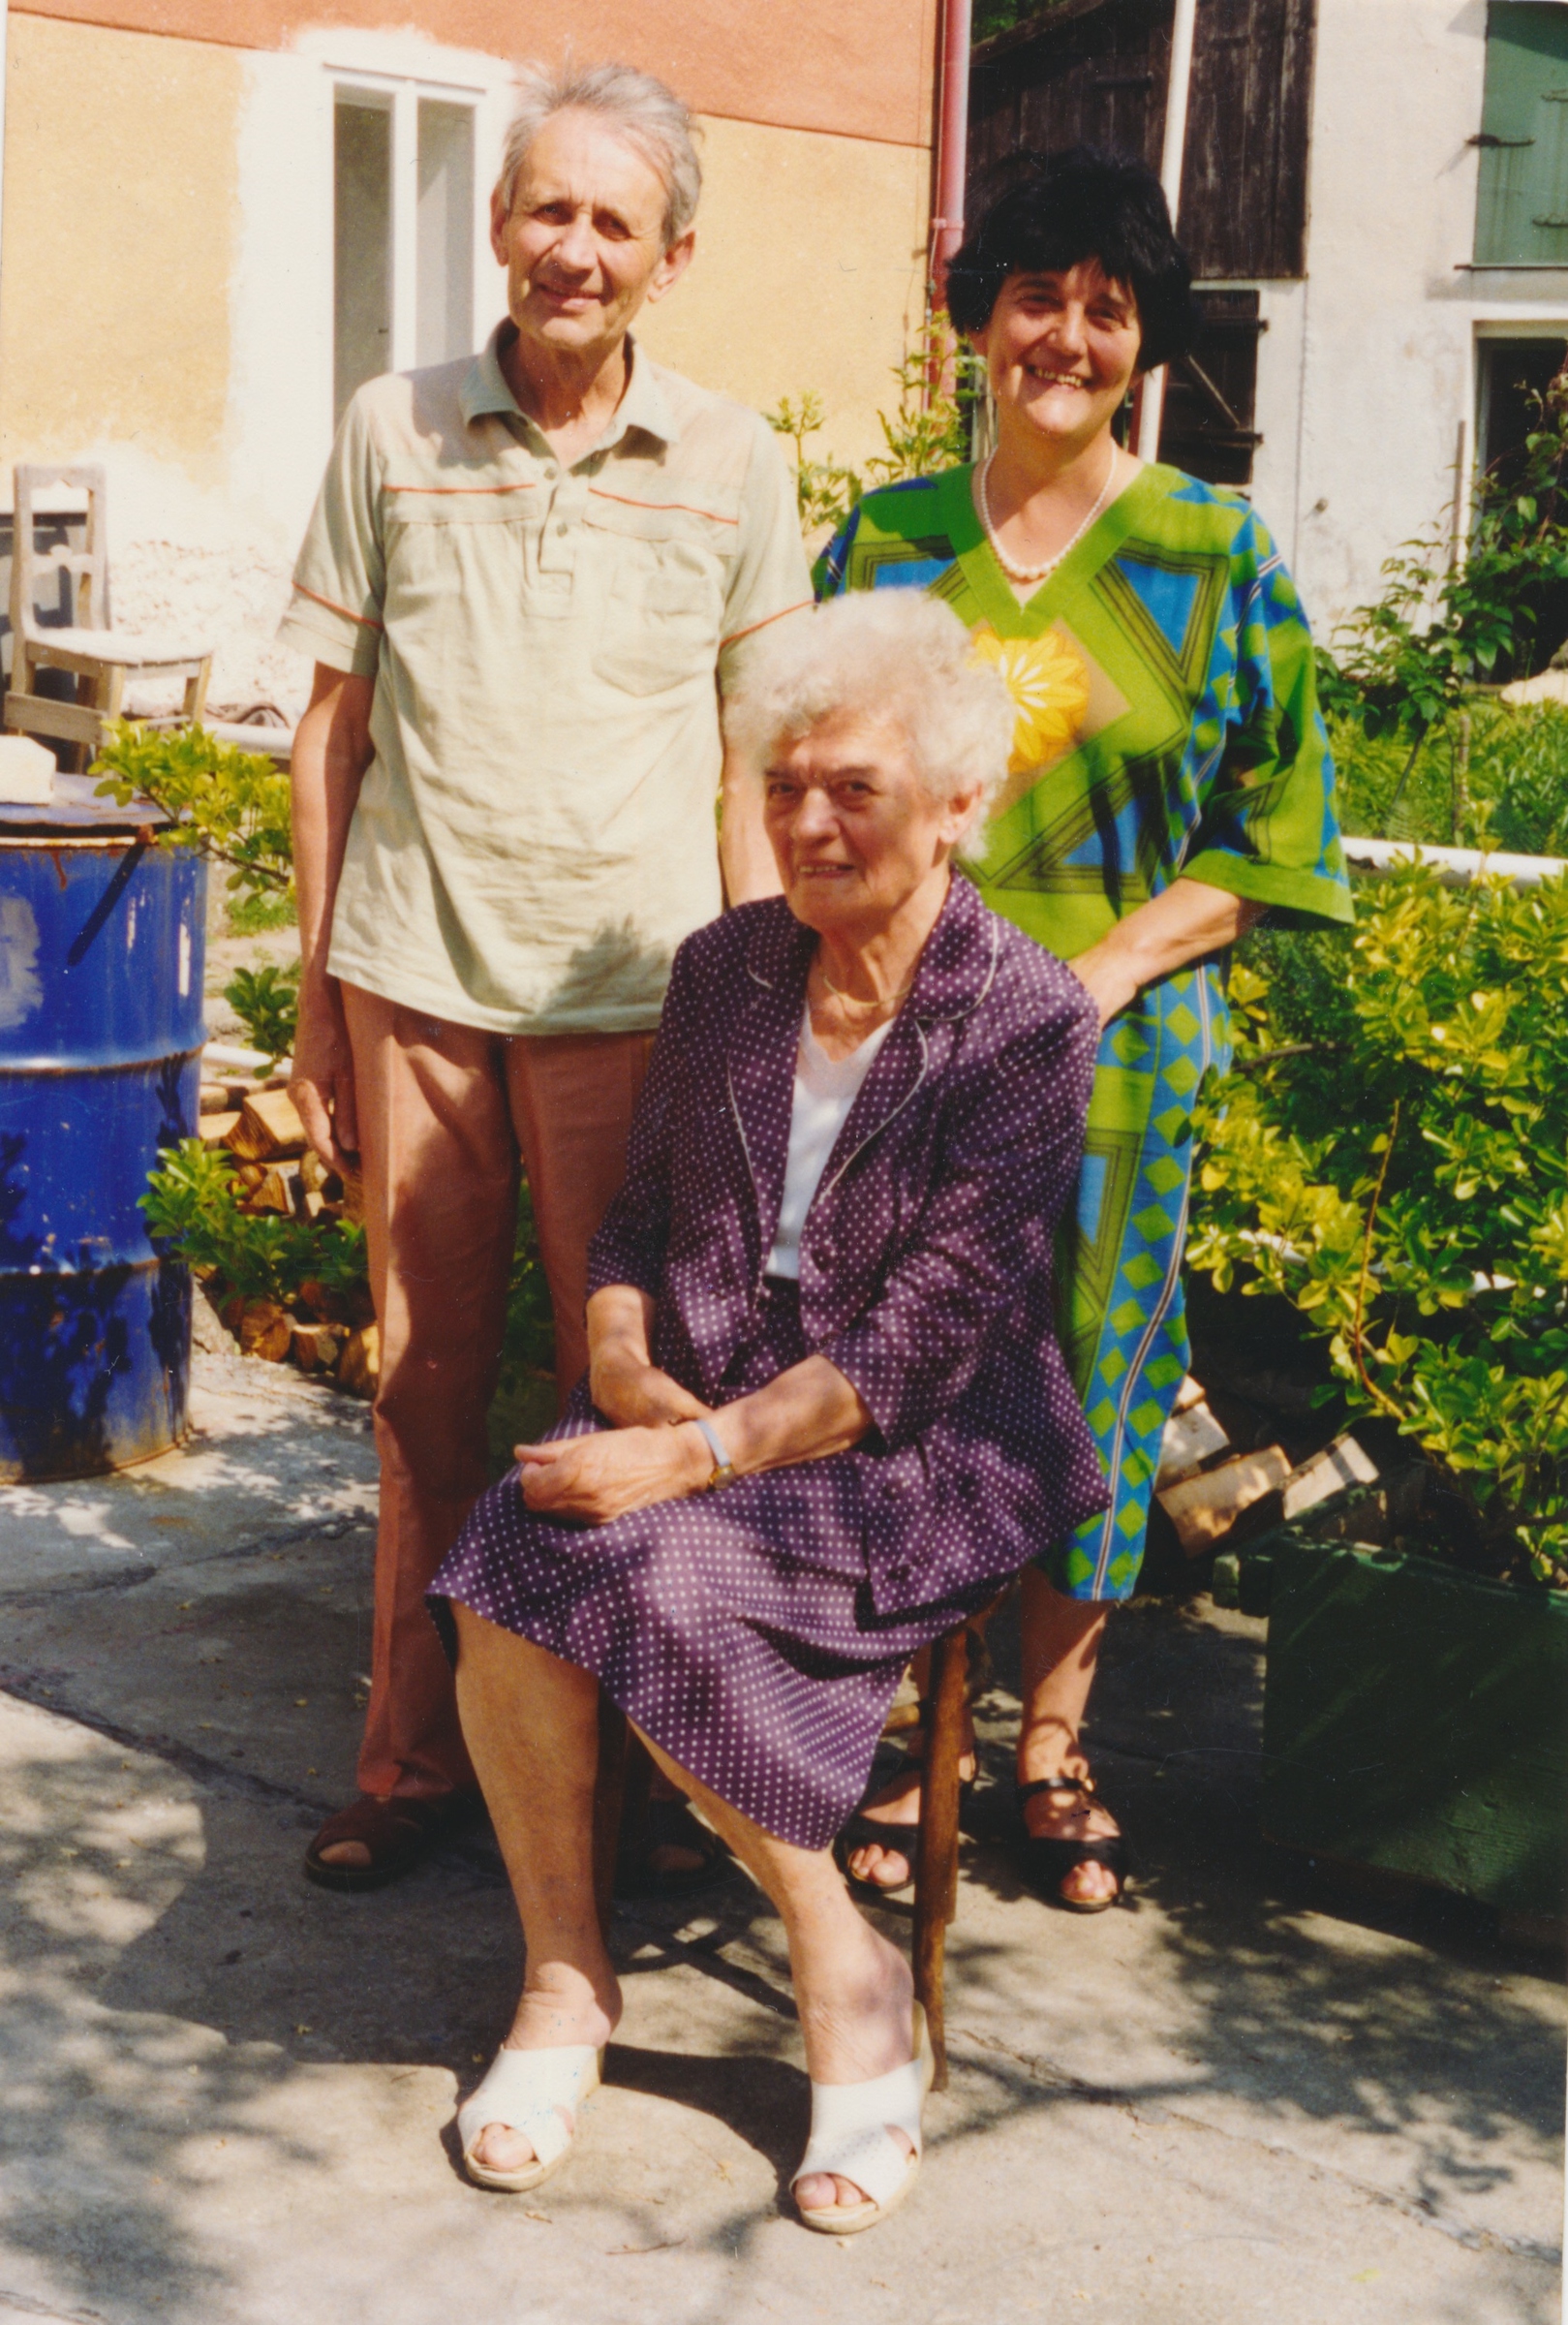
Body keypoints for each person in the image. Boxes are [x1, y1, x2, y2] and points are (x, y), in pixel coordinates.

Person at [427, 591, 1109, 2231]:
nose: (808, 824)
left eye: (855, 788)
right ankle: (566, 1977)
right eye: (784, 785)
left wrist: (689, 1454)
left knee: (651, 1568)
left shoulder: (1027, 1019)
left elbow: (919, 1344)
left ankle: (842, 1964)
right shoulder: (727, 969)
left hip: (930, 1440)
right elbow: (640, 1218)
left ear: (958, 803)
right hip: (711, 1384)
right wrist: (613, 1346)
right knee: (510, 1549)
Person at [279, 60, 813, 1893]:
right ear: (500, 225)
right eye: (547, 209)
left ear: (673, 255)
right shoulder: (391, 426)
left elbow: (754, 761)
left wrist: (760, 1025)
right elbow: (330, 733)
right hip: (417, 981)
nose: (574, 248)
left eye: (613, 220)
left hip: (639, 1010)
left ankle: (632, 1781)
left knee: (634, 1397)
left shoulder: (735, 462)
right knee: (424, 1391)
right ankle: (411, 1764)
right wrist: (316, 1011)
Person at [815, 147, 1352, 1909]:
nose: (1066, 336)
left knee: (1095, 1384)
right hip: (904, 1047)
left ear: (1147, 345)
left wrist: (1101, 972)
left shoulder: (1214, 552)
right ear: (979, 320)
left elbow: (1279, 835)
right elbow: (808, 781)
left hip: (1119, 1056)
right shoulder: (889, 543)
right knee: (900, 1380)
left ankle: (1051, 1740)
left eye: (1108, 310)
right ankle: (916, 1736)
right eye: (1035, 297)